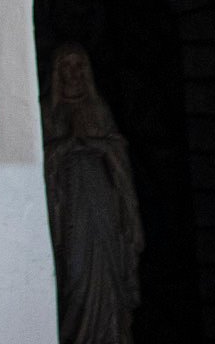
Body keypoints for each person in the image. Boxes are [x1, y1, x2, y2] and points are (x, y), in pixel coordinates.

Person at [44, 45, 144, 344]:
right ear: (58, 72)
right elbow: (42, 157)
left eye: (79, 66)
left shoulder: (98, 108)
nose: (73, 73)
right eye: (67, 66)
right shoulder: (48, 110)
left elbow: (117, 148)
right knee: (76, 272)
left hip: (102, 197)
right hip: (69, 203)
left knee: (109, 264)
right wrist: (67, 146)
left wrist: (98, 146)